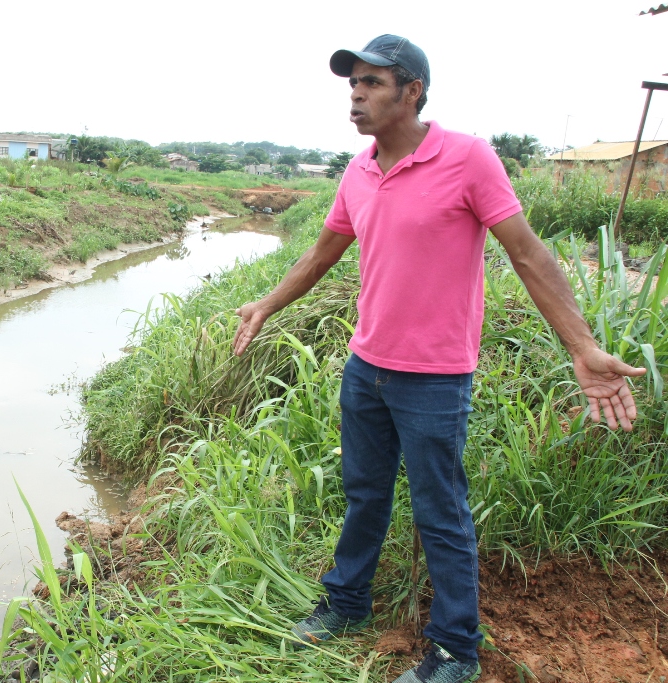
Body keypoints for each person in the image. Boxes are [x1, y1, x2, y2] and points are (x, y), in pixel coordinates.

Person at [231, 34, 645, 683]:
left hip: (434, 378)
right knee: (364, 494)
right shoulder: (358, 171)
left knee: (440, 512)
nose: (356, 95)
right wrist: (265, 304)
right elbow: (320, 254)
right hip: (365, 368)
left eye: (371, 82)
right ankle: (347, 602)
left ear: (412, 90)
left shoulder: (468, 158)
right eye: (352, 84)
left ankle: (455, 650)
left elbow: (527, 253)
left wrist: (582, 346)